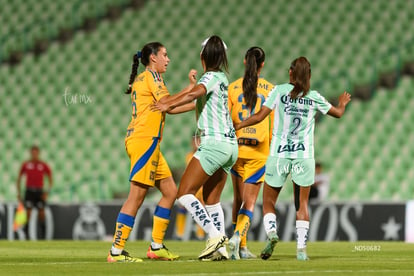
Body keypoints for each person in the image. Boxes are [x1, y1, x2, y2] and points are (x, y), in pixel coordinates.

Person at [235, 57, 351, 261]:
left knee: (269, 203)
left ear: (290, 73)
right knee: (302, 204)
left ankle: (272, 234)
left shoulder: (279, 92)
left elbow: (260, 116)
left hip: (279, 154)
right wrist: (341, 103)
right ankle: (301, 250)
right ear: (310, 76)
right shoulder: (314, 97)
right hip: (304, 156)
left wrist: (239, 125)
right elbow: (338, 113)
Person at [107, 42, 197, 263]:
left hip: (149, 143)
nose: (168, 59)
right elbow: (167, 102)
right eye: (165, 55)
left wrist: (196, 103)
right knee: (136, 196)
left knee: (170, 192)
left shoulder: (144, 78)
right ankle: (116, 252)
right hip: (145, 141)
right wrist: (191, 89)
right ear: (153, 58)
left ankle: (156, 247)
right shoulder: (152, 77)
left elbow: (169, 108)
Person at [153, 35, 238, 260]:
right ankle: (220, 250)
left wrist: (167, 102)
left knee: (184, 193)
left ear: (203, 57)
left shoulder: (209, 77)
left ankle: (213, 236)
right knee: (212, 200)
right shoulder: (221, 78)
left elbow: (194, 94)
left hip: (214, 144)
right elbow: (194, 101)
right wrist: (170, 104)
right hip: (231, 146)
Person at [227, 46, 274, 260]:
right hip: (258, 151)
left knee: (238, 200)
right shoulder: (270, 89)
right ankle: (238, 238)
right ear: (262, 64)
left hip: (237, 149)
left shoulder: (233, 87)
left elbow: (228, 120)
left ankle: (242, 248)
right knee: (250, 202)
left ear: (245, 61)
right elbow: (272, 126)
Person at [16, 145, 53, 239]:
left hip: (39, 191)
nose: (34, 154)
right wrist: (19, 193)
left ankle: (44, 237)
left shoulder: (43, 165)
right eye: (33, 153)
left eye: (36, 153)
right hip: (29, 191)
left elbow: (50, 179)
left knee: (41, 213)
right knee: (28, 213)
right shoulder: (26, 164)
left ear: (38, 153)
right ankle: (26, 235)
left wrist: (47, 193)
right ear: (31, 153)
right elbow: (19, 179)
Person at [174, 134, 205, 241]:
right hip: (191, 186)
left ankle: (200, 234)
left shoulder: (205, 155)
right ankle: (179, 234)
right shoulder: (188, 156)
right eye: (194, 140)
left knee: (201, 209)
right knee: (182, 208)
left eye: (198, 140)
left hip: (201, 187)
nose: (196, 142)